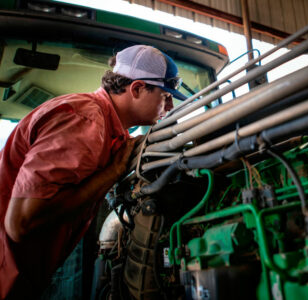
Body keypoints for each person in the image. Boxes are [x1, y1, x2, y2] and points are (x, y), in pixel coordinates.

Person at [0, 45, 186, 299]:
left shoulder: (107, 127)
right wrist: (114, 172)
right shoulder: (86, 120)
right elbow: (21, 223)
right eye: (165, 95)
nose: (170, 105)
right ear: (137, 88)